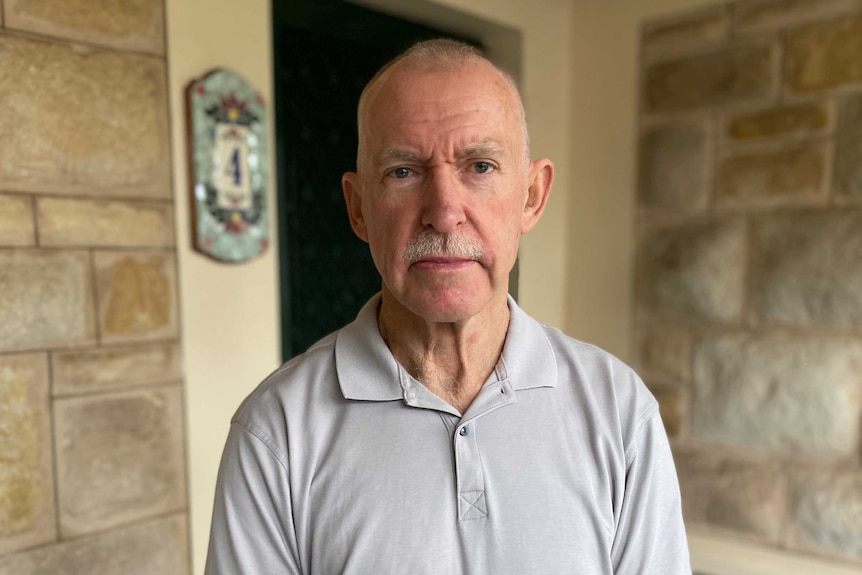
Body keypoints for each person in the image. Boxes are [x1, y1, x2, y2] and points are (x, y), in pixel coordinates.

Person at [205, 39, 690, 574]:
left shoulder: (618, 411)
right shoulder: (276, 432)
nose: (443, 212)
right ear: (358, 207)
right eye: (403, 172)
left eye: (480, 166)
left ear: (531, 196)